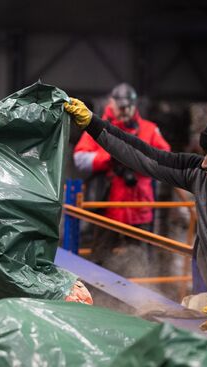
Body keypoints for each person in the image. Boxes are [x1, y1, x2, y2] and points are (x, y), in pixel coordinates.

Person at [65, 98, 207, 347]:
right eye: (205, 153)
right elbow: (145, 156)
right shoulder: (200, 175)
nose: (205, 163)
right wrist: (93, 124)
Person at [73, 83, 170, 277]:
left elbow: (165, 159)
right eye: (121, 106)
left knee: (139, 261)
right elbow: (80, 158)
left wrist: (137, 162)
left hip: (139, 209)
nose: (125, 110)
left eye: (128, 106)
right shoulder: (98, 128)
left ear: (134, 105)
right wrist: (108, 159)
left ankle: (140, 299)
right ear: (112, 103)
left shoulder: (149, 130)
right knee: (99, 259)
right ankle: (96, 297)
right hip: (107, 208)